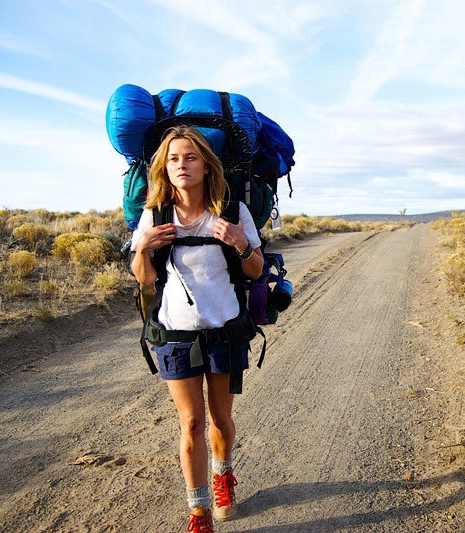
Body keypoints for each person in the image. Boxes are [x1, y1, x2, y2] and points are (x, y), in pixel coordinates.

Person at [130, 125, 263, 531]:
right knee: (191, 423)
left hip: (224, 329)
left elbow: (255, 269)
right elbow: (144, 279)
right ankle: (199, 512)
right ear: (163, 168)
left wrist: (240, 243)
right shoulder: (153, 215)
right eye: (173, 159)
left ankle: (224, 477)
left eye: (189, 157)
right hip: (176, 333)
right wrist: (143, 247)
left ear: (206, 165)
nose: (181, 165)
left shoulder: (233, 212)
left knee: (220, 420)